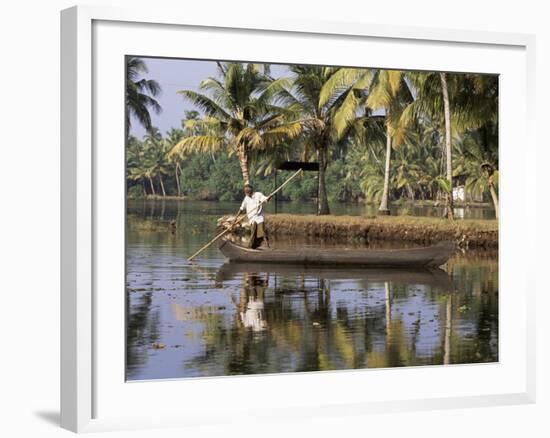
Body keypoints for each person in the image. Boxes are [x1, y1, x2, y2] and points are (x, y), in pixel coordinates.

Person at [236, 184, 271, 249]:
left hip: (259, 218)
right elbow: (241, 208)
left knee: (262, 233)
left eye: (248, 192)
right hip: (252, 219)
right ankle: (252, 248)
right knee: (253, 234)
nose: (247, 193)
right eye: (246, 192)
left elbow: (266, 200)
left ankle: (268, 247)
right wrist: (236, 218)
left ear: (251, 191)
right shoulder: (246, 198)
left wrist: (269, 197)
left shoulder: (258, 195)